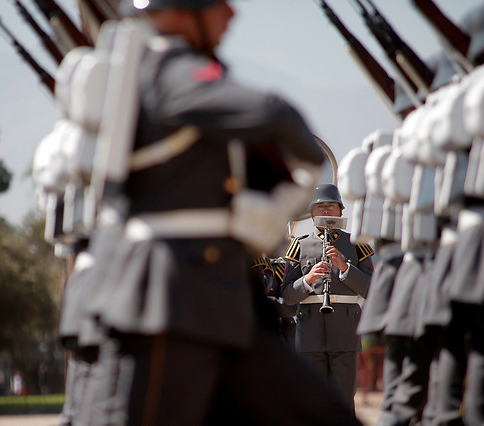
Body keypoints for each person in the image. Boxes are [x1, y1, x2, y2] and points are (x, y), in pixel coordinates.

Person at [80, 1, 363, 424]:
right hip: (170, 295)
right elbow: (271, 114)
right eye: (217, 5)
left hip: (220, 297)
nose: (230, 15)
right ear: (182, 10)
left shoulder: (158, 71)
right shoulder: (167, 68)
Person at [282, 183, 374, 412]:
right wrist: (308, 279)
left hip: (345, 330)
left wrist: (345, 268)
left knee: (343, 400)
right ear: (312, 213)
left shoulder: (357, 244)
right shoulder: (299, 245)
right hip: (309, 331)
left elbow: (372, 290)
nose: (326, 211)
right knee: (311, 401)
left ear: (341, 211)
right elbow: (286, 296)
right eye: (320, 206)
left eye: (331, 206)